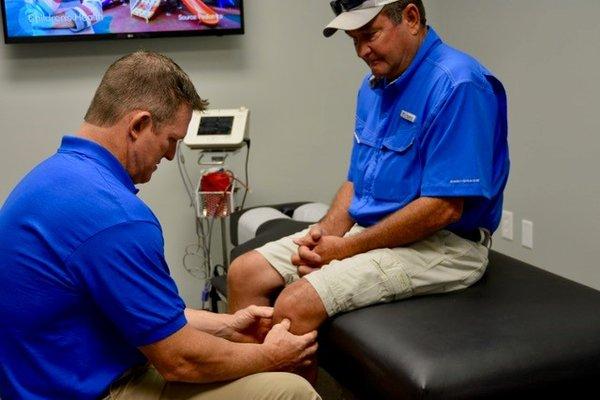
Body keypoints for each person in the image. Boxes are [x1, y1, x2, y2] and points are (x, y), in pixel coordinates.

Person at [0, 51, 320, 400]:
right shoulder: (117, 217)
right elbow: (180, 361)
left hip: (40, 377)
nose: (169, 156)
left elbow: (138, 312)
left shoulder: (52, 176)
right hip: (86, 390)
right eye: (171, 140)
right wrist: (272, 356)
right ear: (138, 125)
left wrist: (226, 325)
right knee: (290, 391)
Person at [228, 0, 509, 349]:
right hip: (376, 231)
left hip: (446, 246)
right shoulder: (375, 84)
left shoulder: (458, 84)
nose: (362, 50)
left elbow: (444, 208)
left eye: (370, 34)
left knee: (294, 303)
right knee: (244, 272)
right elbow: (356, 181)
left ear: (410, 17)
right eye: (353, 40)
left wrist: (344, 250)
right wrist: (322, 239)